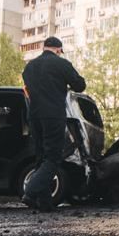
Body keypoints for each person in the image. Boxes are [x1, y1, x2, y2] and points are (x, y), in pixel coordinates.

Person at [21, 36, 86, 211]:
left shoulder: (29, 67)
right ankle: (30, 191)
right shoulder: (61, 64)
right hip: (53, 115)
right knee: (53, 157)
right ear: (58, 49)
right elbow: (80, 85)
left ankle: (44, 203)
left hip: (34, 116)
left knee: (41, 157)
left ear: (44, 47)